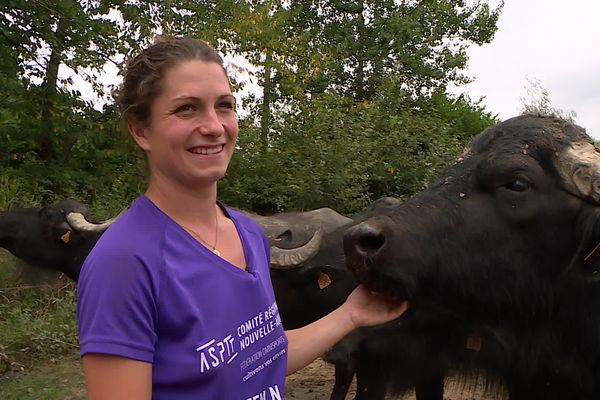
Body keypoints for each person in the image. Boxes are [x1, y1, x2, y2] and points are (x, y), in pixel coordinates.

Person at [77, 35, 408, 400]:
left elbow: (260, 358)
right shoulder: (123, 263)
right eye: (186, 108)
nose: (215, 126)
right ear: (141, 130)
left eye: (225, 105)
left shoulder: (248, 233)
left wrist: (351, 314)